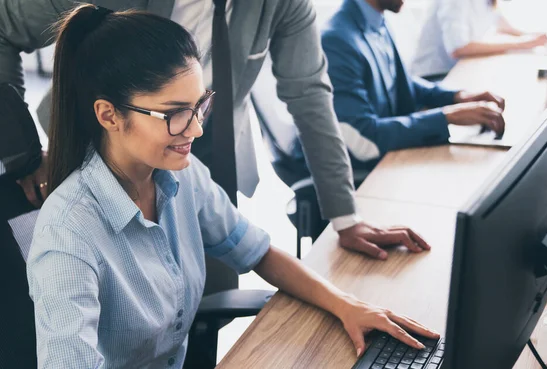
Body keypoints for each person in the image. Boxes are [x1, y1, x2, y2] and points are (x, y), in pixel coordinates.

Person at [26, 5, 440, 368]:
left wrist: (346, 305)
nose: (198, 128)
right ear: (109, 115)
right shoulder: (68, 235)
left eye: (198, 106)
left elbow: (256, 249)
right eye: (175, 114)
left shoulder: (181, 176)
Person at [0, 0, 428, 260]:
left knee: (204, 303)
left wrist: (345, 218)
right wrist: (22, 152)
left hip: (205, 165)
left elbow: (310, 95)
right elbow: (4, 28)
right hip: (101, 159)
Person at [321, 0, 507, 170]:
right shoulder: (336, 41)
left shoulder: (376, 21)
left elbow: (400, 83)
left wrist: (457, 97)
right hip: (358, 172)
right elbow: (365, 140)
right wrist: (446, 117)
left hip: (389, 155)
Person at [411, 0, 547, 80]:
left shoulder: (488, 2)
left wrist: (534, 37)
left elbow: (501, 24)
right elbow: (458, 48)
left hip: (457, 71)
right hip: (433, 78)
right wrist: (524, 43)